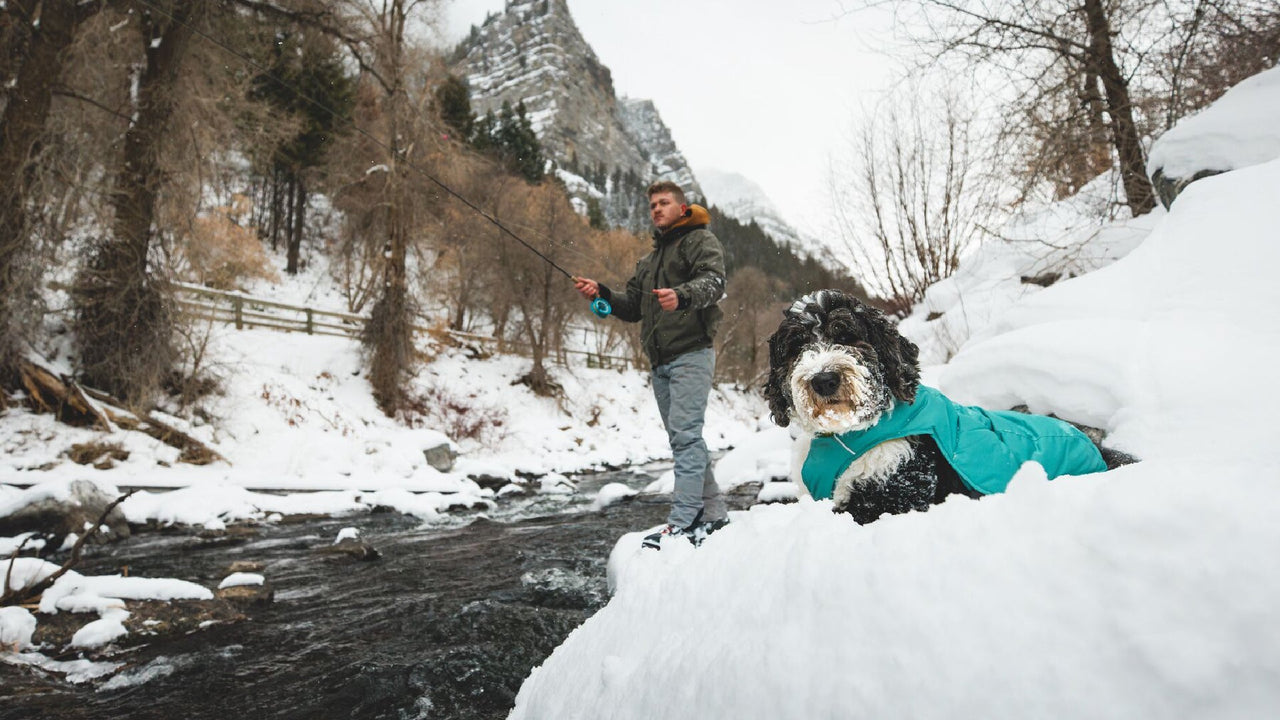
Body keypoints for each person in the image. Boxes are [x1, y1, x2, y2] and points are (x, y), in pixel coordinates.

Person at [574, 181, 729, 549]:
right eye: (653, 205)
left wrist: (683, 295)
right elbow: (632, 308)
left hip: (692, 353)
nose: (657, 209)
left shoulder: (700, 242)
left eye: (664, 203)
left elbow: (715, 283)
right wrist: (604, 295)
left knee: (686, 436)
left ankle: (685, 521)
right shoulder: (650, 261)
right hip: (660, 363)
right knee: (683, 439)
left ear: (682, 207)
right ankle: (714, 514)